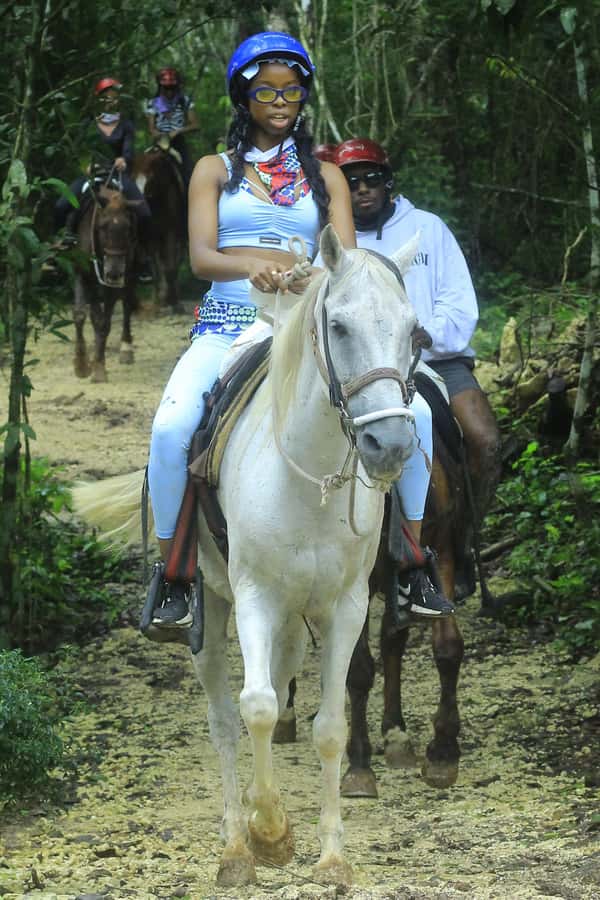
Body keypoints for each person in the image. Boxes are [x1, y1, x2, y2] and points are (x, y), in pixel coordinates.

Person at [147, 32, 355, 628]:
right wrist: (253, 265)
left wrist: (308, 273)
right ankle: (175, 576)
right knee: (170, 428)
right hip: (227, 325)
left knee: (409, 416)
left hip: (305, 328)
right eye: (267, 90)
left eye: (292, 90)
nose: (281, 100)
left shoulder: (329, 176)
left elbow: (348, 260)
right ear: (245, 99)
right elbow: (202, 257)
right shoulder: (213, 169)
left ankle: (410, 557)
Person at [334, 137, 501, 603]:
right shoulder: (336, 241)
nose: (363, 190)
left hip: (438, 360)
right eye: (352, 183)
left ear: (389, 184)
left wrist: (425, 335)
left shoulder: (429, 229)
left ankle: (459, 541)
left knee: (484, 441)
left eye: (371, 180)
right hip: (367, 368)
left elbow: (460, 303)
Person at [55, 77, 153, 277]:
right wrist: (85, 164)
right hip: (92, 176)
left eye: (114, 98)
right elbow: (79, 151)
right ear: (98, 100)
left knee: (144, 212)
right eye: (106, 98)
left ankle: (142, 255)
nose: (111, 101)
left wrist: (123, 160)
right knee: (62, 205)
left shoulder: (126, 125)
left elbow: (127, 151)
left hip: (116, 174)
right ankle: (65, 242)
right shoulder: (88, 124)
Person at [145, 67, 199, 187]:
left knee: (188, 174)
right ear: (160, 87)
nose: (169, 91)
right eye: (166, 88)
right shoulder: (153, 103)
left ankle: (188, 201)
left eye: (172, 88)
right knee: (143, 169)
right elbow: (151, 128)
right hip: (159, 142)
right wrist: (157, 134)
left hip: (177, 142)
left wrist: (178, 131)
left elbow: (195, 124)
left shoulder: (184, 101)